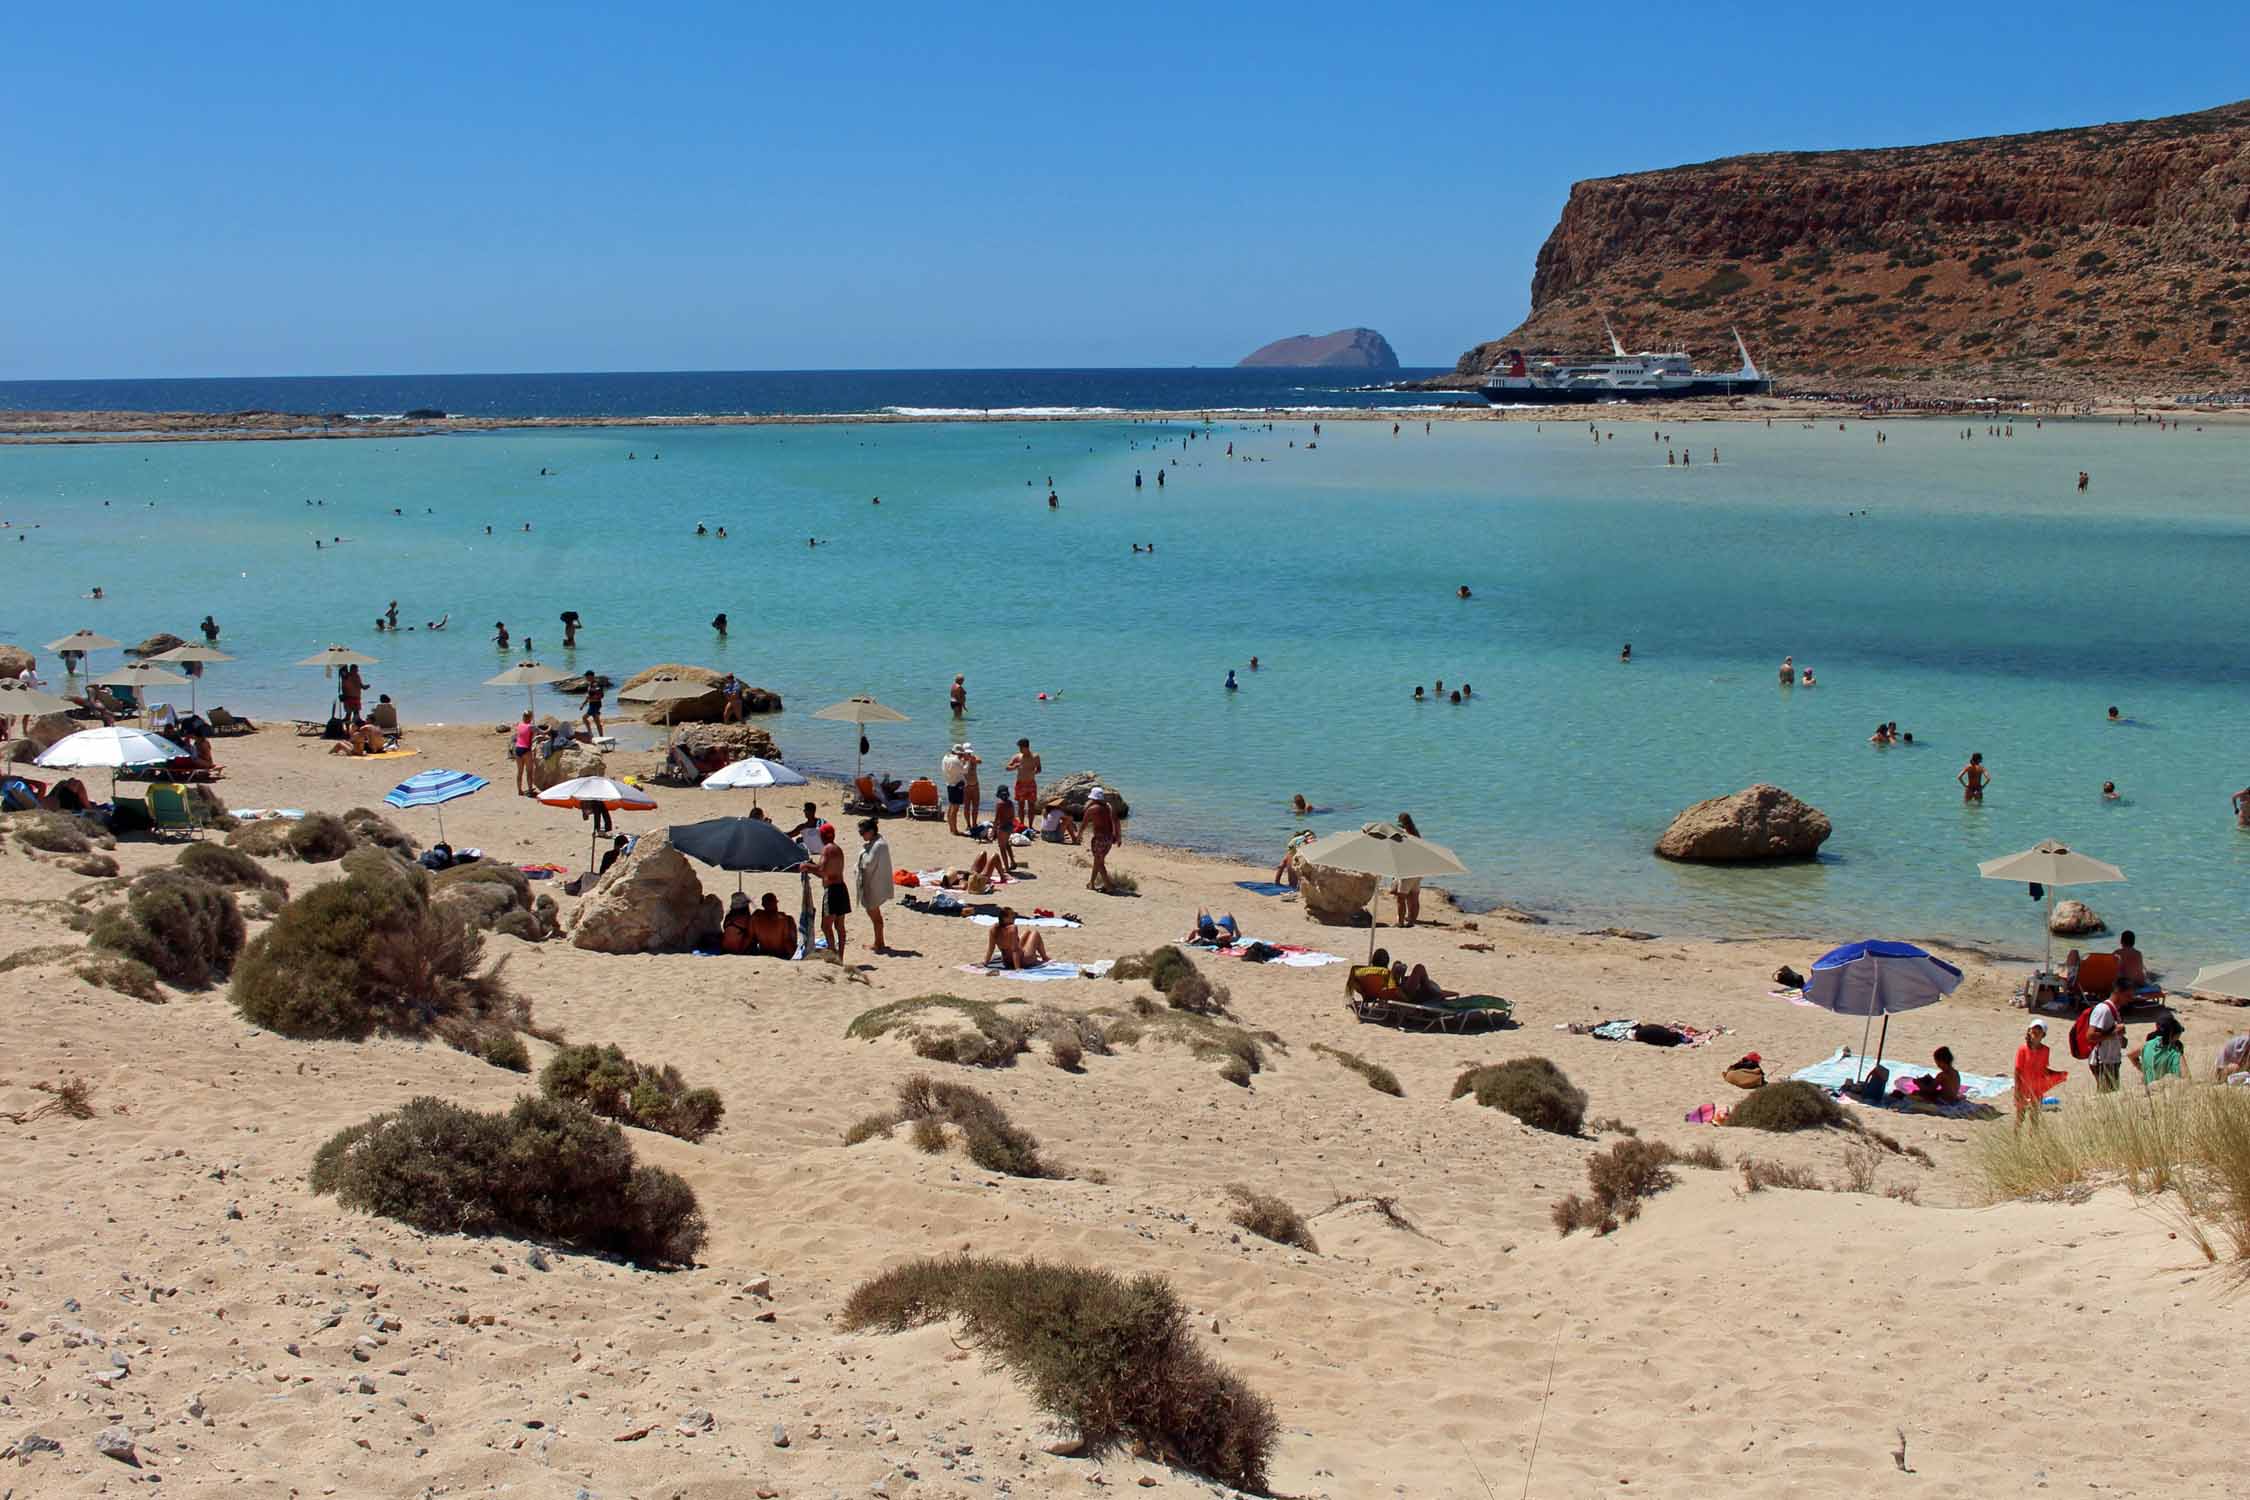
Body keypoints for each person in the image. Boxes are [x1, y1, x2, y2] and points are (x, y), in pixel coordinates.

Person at [803, 828, 849, 963]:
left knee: (826, 926)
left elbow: (821, 870)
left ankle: (833, 954)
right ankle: (840, 956)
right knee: (840, 926)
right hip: (841, 888)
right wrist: (812, 867)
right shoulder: (837, 849)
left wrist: (806, 866)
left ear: (821, 836)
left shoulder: (826, 850)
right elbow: (826, 872)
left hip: (833, 891)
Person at [2014, 1021, 2067, 1126]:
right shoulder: (2022, 1049)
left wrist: (2058, 1075)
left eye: (2039, 1031)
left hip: (2037, 1089)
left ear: (2043, 1035)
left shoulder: (2046, 1050)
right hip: (2023, 1088)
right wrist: (2017, 1090)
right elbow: (2017, 1071)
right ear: (2029, 1031)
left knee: (2035, 1118)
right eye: (2034, 1030)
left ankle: (2034, 1140)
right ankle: (2016, 1140)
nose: (2036, 1032)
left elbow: (2044, 1069)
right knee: (2020, 1117)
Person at [855, 818, 894, 953]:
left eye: (862, 833)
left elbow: (868, 864)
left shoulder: (878, 845)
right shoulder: (876, 843)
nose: (861, 835)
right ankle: (879, 942)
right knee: (875, 915)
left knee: (875, 916)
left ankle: (879, 943)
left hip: (873, 885)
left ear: (871, 831)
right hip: (872, 883)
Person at [2086, 979, 2129, 1092]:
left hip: (2111, 1060)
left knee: (2109, 1094)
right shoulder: (2103, 1010)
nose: (2130, 998)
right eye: (2128, 995)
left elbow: (2110, 1034)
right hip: (2103, 1060)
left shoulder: (2115, 1010)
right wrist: (2115, 1032)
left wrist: (2121, 1039)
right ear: (2118, 992)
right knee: (2107, 1095)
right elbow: (2090, 1036)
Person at [982, 907, 1051, 971]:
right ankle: (1044, 957)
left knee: (1027, 932)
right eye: (1012, 916)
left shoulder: (994, 929)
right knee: (1035, 933)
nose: (1014, 918)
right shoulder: (1012, 928)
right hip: (1023, 960)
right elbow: (1014, 950)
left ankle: (1038, 956)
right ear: (1005, 918)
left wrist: (985, 963)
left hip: (1007, 962)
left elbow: (991, 948)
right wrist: (1017, 968)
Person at [1082, 786, 1120, 892]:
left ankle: (1108, 885)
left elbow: (1084, 823)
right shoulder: (1109, 807)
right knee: (1097, 861)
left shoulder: (1092, 809)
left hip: (1099, 839)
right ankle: (1092, 883)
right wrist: (1118, 836)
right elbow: (1116, 822)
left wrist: (1078, 836)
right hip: (1109, 838)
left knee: (1099, 862)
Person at [2135, 1013, 2186, 1083]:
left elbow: (2140, 1054)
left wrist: (2143, 1069)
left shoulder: (2151, 1038)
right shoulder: (2177, 1045)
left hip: (2150, 1078)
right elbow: (2181, 1065)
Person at [1006, 738, 1041, 815]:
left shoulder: (1036, 757)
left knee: (1031, 806)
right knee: (1021, 806)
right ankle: (1021, 824)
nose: (1020, 750)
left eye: (1021, 748)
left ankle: (1031, 825)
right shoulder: (1017, 757)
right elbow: (1007, 768)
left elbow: (1039, 769)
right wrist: (1014, 766)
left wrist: (1034, 772)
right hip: (1020, 783)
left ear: (1026, 747)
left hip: (1031, 783)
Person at [941, 743, 969, 835]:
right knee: (955, 809)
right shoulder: (956, 760)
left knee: (951, 806)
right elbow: (965, 770)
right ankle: (954, 830)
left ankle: (951, 828)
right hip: (957, 785)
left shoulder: (945, 757)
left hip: (949, 783)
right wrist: (967, 762)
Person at [989, 787, 1018, 872]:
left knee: (1002, 848)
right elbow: (1012, 816)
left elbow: (997, 818)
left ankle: (1007, 868)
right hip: (1010, 826)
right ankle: (1012, 862)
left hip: (1003, 827)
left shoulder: (1000, 804)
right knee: (1007, 845)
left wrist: (993, 830)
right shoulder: (1010, 803)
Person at [511, 711, 536, 795]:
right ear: (530, 717)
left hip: (517, 749)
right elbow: (543, 732)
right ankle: (529, 790)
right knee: (529, 771)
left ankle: (519, 791)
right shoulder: (531, 726)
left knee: (520, 771)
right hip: (526, 750)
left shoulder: (519, 725)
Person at [959, 742, 983, 827]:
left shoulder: (974, 757)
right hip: (966, 787)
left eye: (969, 752)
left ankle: (974, 823)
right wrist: (964, 760)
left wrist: (973, 760)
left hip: (975, 785)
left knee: (975, 807)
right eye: (967, 753)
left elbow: (980, 761)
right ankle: (968, 825)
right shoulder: (961, 759)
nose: (968, 754)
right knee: (966, 807)